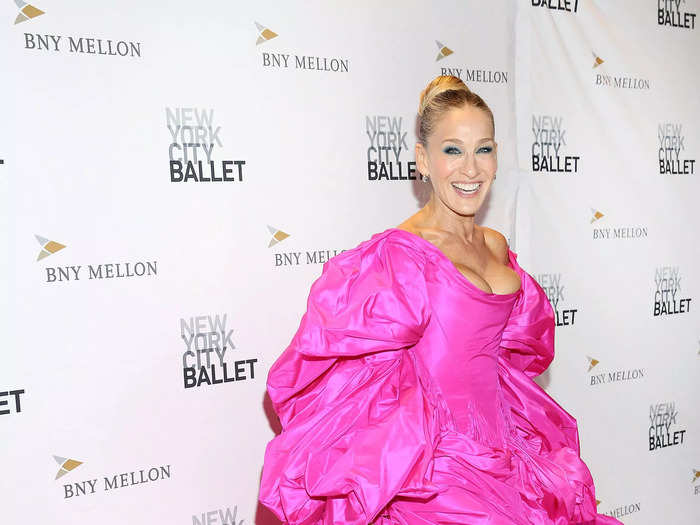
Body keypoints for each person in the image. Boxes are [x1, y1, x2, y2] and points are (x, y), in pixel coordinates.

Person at [258, 76, 621, 525]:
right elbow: (342, 367)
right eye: (453, 150)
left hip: (509, 451)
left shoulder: (495, 244)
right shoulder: (399, 256)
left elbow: (508, 351)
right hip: (438, 469)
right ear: (423, 161)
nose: (471, 169)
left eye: (483, 149)